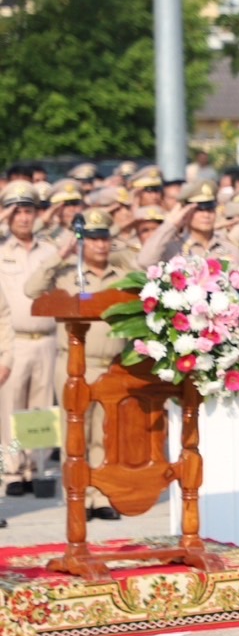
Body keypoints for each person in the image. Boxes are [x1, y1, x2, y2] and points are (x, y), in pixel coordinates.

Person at [23, 208, 120, 516]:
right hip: (75, 365)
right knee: (75, 434)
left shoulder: (121, 274)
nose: (100, 245)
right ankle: (77, 494)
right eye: (92, 239)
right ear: (82, 242)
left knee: (105, 434)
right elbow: (31, 289)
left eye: (104, 238)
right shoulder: (68, 272)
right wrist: (61, 254)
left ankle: (101, 495)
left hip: (112, 365)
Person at [0, 180, 62, 494]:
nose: (23, 218)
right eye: (17, 212)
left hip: (47, 337)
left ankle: (37, 468)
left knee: (41, 408)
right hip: (14, 340)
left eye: (28, 211)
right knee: (11, 409)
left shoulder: (49, 251)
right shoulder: (1, 251)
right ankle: (13, 471)